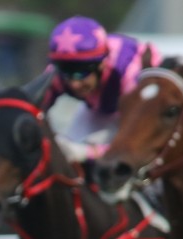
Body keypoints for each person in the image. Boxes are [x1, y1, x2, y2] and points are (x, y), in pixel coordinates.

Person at [41, 15, 162, 164]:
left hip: (143, 114)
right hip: (99, 108)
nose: (74, 84)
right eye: (67, 73)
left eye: (82, 73)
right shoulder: (57, 72)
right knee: (69, 154)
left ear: (102, 64)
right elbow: (33, 111)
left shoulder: (129, 72)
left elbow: (142, 136)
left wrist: (90, 152)